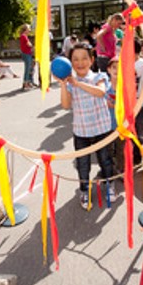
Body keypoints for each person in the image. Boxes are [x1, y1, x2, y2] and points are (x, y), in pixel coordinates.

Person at [56, 42, 116, 210]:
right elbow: (66, 105)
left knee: (105, 160)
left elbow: (101, 92)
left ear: (92, 60)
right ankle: (84, 190)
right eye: (75, 59)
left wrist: (77, 83)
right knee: (83, 164)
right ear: (70, 63)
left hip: (102, 129)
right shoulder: (70, 83)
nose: (80, 62)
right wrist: (63, 84)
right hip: (81, 131)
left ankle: (109, 185)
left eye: (84, 58)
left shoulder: (99, 77)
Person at [19, 24, 35, 90]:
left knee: (30, 68)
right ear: (25, 29)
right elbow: (29, 45)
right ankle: (25, 83)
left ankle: (28, 82)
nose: (30, 30)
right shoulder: (24, 36)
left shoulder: (24, 36)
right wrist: (33, 46)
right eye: (29, 29)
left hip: (27, 54)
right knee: (27, 69)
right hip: (26, 54)